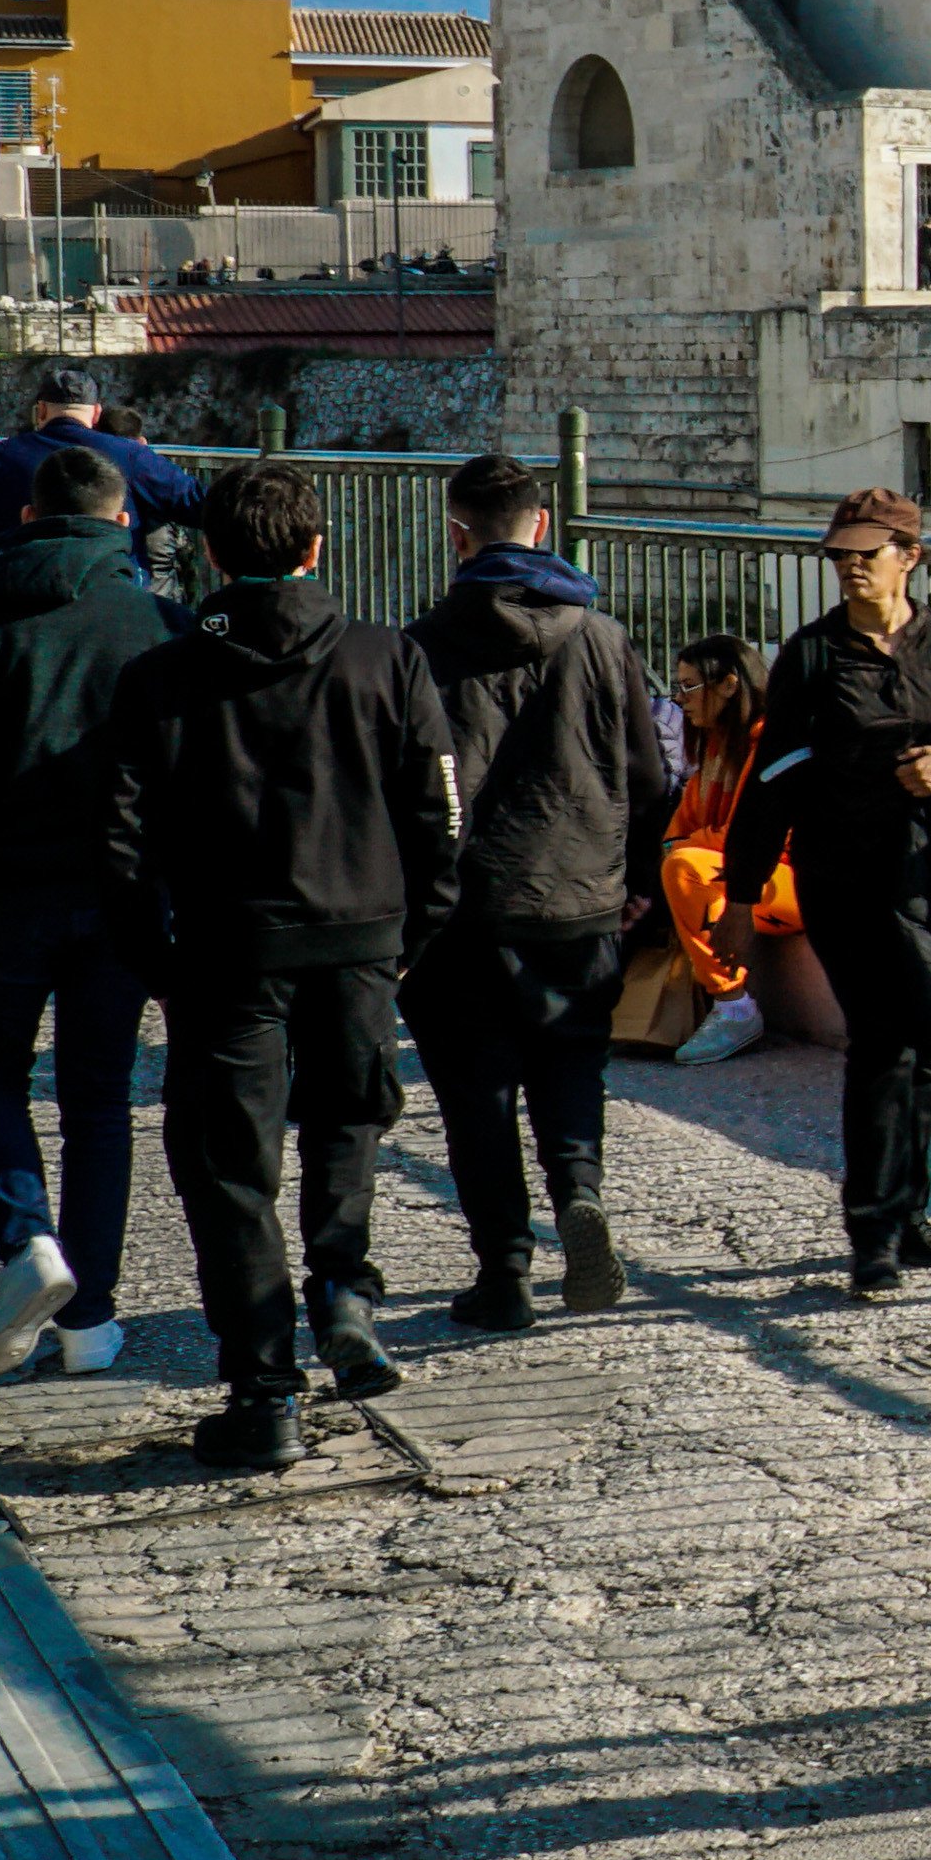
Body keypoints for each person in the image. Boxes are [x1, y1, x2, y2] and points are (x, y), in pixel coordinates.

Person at [98, 459, 458, 1474]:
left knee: (228, 1170)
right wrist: (409, 934)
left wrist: (154, 961)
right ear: (316, 544)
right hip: (361, 935)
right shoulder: (387, 657)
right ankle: (343, 1285)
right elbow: (440, 813)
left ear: (210, 551)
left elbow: (117, 841)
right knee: (349, 1119)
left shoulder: (162, 676)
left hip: (226, 950)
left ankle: (264, 1391)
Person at [0, 444, 177, 1378]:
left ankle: (27, 1243)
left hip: (2, 897)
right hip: (121, 901)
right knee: (99, 1102)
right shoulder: (158, 624)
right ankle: (89, 1322)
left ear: (23, 519)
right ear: (122, 520)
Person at [711, 489, 931, 1294]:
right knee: (885, 1041)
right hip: (845, 873)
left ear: (909, 556)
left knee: (928, 1039)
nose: (852, 567)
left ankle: (911, 1211)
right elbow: (772, 777)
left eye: (867, 552)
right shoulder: (813, 655)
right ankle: (872, 1229)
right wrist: (743, 899)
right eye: (841, 555)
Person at [405, 450, 680, 1334]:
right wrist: (636, 881)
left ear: (456, 536)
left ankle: (505, 1272)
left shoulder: (425, 641)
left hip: (464, 909)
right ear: (544, 527)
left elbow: (411, 780)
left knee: (478, 1093)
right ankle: (579, 1190)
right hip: (580, 893)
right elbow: (647, 774)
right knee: (570, 1059)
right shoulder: (602, 637)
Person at [652, 635, 836, 1064]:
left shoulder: (772, 741)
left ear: (730, 685)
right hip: (744, 881)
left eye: (689, 686)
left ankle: (733, 1005)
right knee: (677, 862)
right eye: (677, 687)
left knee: (685, 868)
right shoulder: (713, 745)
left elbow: (755, 836)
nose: (679, 700)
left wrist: (683, 846)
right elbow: (679, 829)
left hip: (792, 883)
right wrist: (680, 844)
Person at [0, 366, 204, 553]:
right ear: (97, 413)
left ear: (40, 410)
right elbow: (197, 502)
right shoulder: (132, 455)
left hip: (13, 603)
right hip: (113, 598)